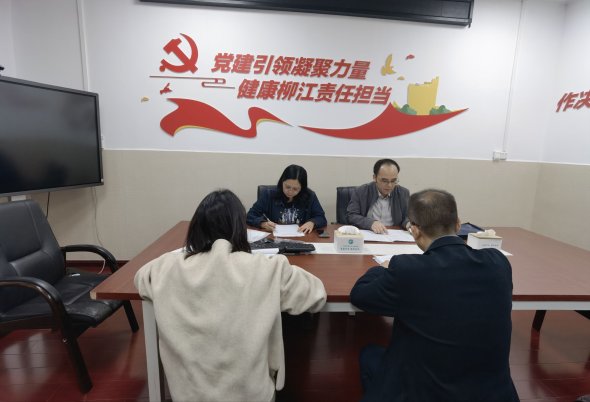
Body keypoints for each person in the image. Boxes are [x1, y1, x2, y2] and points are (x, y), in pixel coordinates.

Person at [134, 189, 326, 402]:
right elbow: (315, 294)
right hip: (251, 394)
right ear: (239, 229)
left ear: (196, 228)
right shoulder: (268, 268)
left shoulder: (166, 268)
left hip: (188, 394)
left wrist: (182, 256)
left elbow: (141, 278)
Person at [350, 189, 519, 402]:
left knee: (369, 355)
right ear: (458, 224)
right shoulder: (498, 263)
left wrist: (382, 268)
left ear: (414, 230)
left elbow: (360, 295)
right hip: (493, 394)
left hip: (424, 392)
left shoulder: (407, 270)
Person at [247, 164, 327, 234]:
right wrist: (262, 224)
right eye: (287, 187)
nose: (290, 191)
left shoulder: (310, 196)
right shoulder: (269, 195)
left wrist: (312, 222)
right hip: (273, 238)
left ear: (302, 188)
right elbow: (250, 216)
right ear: (282, 182)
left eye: (295, 189)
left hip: (301, 237)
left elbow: (321, 217)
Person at [346, 158, 410, 234]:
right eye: (384, 181)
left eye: (393, 181)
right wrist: (371, 223)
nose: (389, 185)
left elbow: (406, 217)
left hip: (393, 235)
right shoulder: (361, 192)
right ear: (374, 178)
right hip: (369, 233)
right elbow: (351, 216)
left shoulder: (403, 193)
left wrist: (408, 224)